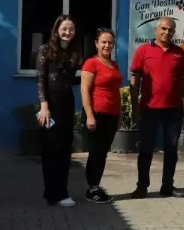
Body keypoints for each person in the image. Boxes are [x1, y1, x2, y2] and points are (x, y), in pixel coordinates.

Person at [130, 17, 184, 199]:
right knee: (146, 150)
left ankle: (167, 186)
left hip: (173, 110)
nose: (167, 32)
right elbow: (135, 80)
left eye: (171, 30)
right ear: (156, 30)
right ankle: (142, 186)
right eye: (163, 29)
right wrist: (135, 108)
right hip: (149, 109)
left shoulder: (179, 53)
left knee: (171, 150)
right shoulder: (143, 51)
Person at [35, 15, 81, 207]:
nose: (67, 32)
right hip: (50, 107)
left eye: (71, 29)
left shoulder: (74, 52)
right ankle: (53, 193)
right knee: (50, 151)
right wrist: (44, 106)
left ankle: (60, 192)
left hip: (67, 105)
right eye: (64, 29)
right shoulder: (45, 50)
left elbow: (75, 78)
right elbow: (41, 79)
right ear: (56, 30)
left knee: (64, 149)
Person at [79, 28, 120, 204]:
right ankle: (92, 189)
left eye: (110, 42)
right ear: (96, 43)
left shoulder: (114, 64)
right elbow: (85, 91)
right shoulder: (91, 64)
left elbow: (115, 92)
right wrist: (89, 115)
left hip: (111, 115)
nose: (107, 45)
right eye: (103, 42)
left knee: (102, 153)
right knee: (95, 153)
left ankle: (96, 186)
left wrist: (119, 116)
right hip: (96, 114)